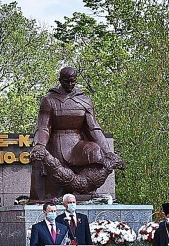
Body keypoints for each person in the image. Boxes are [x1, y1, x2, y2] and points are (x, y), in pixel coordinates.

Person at [30, 66, 123, 201]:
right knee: (55, 172)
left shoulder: (84, 100)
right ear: (60, 80)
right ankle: (59, 194)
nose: (70, 84)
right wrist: (40, 145)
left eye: (73, 81)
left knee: (94, 150)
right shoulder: (49, 100)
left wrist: (108, 151)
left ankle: (86, 190)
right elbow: (43, 126)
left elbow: (93, 128)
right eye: (66, 81)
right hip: (57, 140)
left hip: (77, 142)